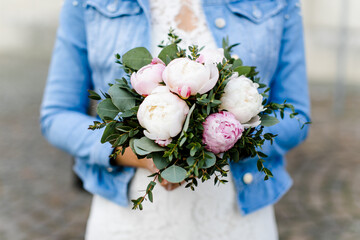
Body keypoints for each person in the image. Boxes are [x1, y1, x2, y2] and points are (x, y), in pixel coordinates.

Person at [40, 0, 310, 239]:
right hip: (130, 216)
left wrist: (221, 141)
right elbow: (57, 115)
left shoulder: (279, 4)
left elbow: (296, 116)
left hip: (235, 215)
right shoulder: (86, 4)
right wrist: (134, 154)